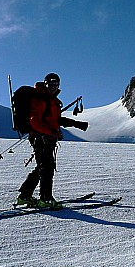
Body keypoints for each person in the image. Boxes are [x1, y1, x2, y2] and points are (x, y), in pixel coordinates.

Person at [15, 73, 88, 209]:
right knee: (47, 167)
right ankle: (46, 198)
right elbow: (34, 121)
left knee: (42, 167)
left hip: (48, 138)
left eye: (56, 84)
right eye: (51, 83)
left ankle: (24, 195)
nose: (54, 86)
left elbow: (56, 120)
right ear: (45, 83)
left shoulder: (52, 101)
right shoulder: (40, 99)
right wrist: (51, 132)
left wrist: (77, 124)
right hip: (40, 137)